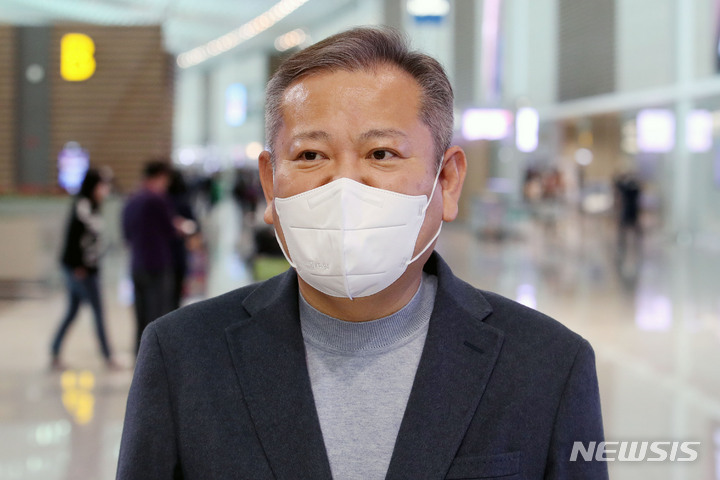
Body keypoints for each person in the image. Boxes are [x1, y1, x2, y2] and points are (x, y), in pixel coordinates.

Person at [117, 28, 608, 479]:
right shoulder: (183, 356)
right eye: (310, 155)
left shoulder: (547, 366)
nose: (345, 185)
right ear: (270, 184)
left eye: (381, 154)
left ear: (448, 180)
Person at [51, 168, 118, 370]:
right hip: (81, 271)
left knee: (72, 312)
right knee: (97, 311)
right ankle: (108, 356)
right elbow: (72, 239)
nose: (105, 190)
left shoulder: (93, 206)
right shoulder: (83, 206)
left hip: (87, 269)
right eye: (102, 185)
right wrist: (78, 266)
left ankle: (54, 352)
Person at [122, 160, 178, 355]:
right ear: (160, 177)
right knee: (157, 314)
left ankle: (138, 355)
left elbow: (126, 234)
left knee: (140, 314)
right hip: (158, 263)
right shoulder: (157, 200)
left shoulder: (131, 200)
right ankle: (154, 356)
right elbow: (170, 229)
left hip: (137, 263)